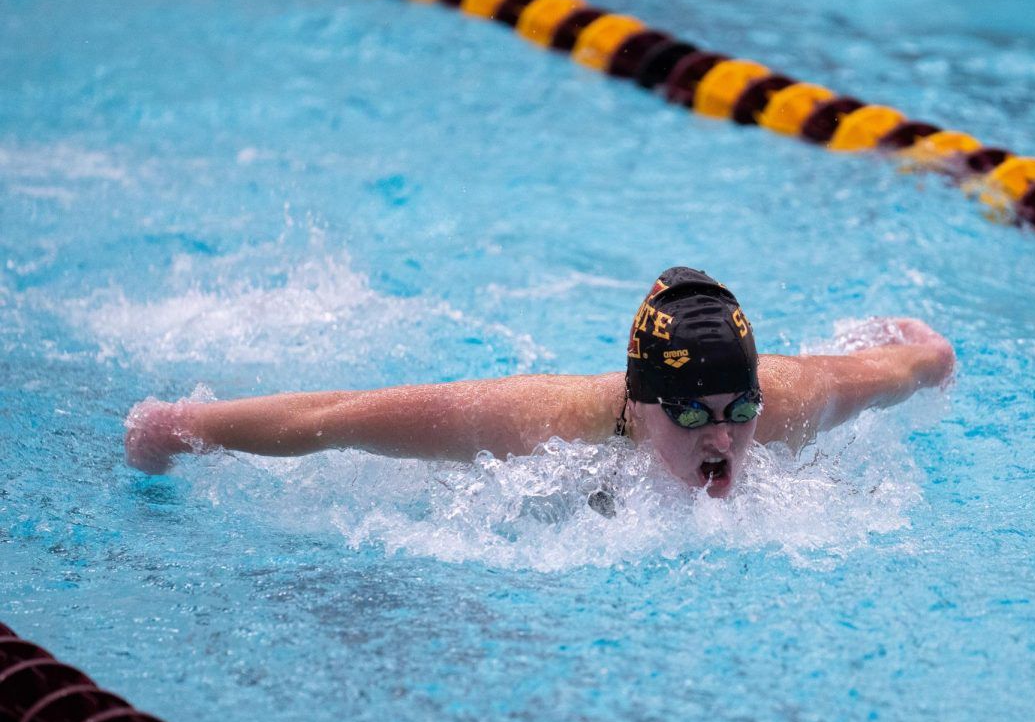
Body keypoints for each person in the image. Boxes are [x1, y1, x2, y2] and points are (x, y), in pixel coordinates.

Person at [124, 267, 954, 498]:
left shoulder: (791, 404)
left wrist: (928, 356)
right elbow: (332, 418)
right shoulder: (541, 424)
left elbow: (904, 367)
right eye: (694, 413)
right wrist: (180, 426)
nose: (722, 437)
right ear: (637, 402)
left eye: (739, 409)